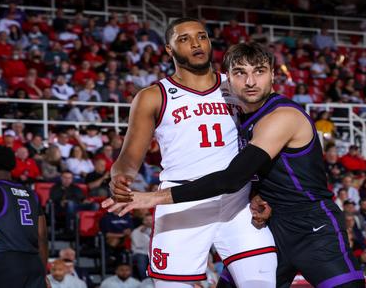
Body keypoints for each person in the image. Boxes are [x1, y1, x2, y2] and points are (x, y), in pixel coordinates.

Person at [104, 42, 364, 287]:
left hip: (312, 226)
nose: (250, 81)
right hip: (270, 224)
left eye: (259, 72)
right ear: (228, 78)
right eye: (240, 73)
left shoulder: (282, 116)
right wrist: (257, 193)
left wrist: (153, 198)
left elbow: (231, 179)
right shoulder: (239, 115)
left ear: (273, 74)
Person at [102, 18, 277, 287]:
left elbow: (266, 142)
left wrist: (262, 190)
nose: (196, 43)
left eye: (202, 36)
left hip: (238, 202)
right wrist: (120, 177)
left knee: (263, 282)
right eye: (184, 39)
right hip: (181, 202)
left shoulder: (238, 85)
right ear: (169, 50)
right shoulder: (154, 96)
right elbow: (128, 157)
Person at [0, 145, 48, 288]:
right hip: (33, 264)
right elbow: (42, 237)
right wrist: (43, 274)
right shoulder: (31, 194)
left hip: (5, 261)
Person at [131, 212, 153, 280]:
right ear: (143, 221)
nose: (149, 222)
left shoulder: (156, 230)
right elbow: (138, 245)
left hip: (152, 253)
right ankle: (144, 280)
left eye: (151, 220)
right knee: (142, 259)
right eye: (147, 220)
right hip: (140, 252)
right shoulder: (136, 231)